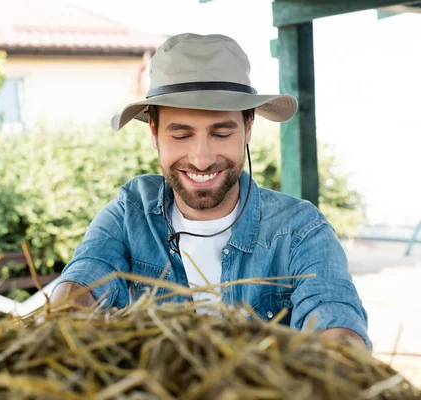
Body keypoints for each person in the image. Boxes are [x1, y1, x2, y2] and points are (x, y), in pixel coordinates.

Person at [51, 33, 370, 349]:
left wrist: (339, 356)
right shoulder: (129, 214)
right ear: (154, 133)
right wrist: (66, 319)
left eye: (220, 133)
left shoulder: (300, 229)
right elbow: (82, 283)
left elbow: (333, 316)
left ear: (247, 128)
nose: (201, 159)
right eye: (181, 135)